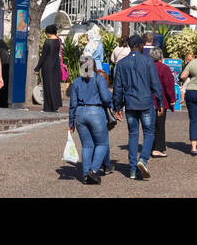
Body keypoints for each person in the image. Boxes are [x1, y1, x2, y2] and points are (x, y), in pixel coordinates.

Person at [112, 33, 163, 180]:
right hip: (146, 102)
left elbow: (118, 87)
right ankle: (143, 159)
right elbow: (155, 83)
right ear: (140, 45)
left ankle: (133, 170)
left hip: (130, 103)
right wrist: (159, 102)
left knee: (133, 134)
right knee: (149, 132)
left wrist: (117, 107)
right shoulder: (147, 61)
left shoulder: (121, 63)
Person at [68, 54, 114, 184]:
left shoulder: (77, 81)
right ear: (93, 66)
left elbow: (72, 104)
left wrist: (71, 122)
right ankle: (93, 171)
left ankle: (85, 175)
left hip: (80, 113)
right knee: (102, 144)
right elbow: (105, 98)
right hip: (96, 112)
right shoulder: (98, 79)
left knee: (87, 146)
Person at [149, 47, 175, 157]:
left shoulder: (147, 67)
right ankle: (158, 148)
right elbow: (169, 85)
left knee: (149, 126)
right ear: (161, 56)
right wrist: (172, 100)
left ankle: (150, 146)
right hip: (160, 101)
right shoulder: (164, 68)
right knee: (159, 125)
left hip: (147, 100)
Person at [35, 26, 63, 112]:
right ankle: (55, 105)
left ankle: (48, 107)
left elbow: (43, 56)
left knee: (47, 86)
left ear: (48, 33)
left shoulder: (47, 42)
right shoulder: (58, 41)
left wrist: (37, 68)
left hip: (47, 66)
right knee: (55, 86)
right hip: (56, 66)